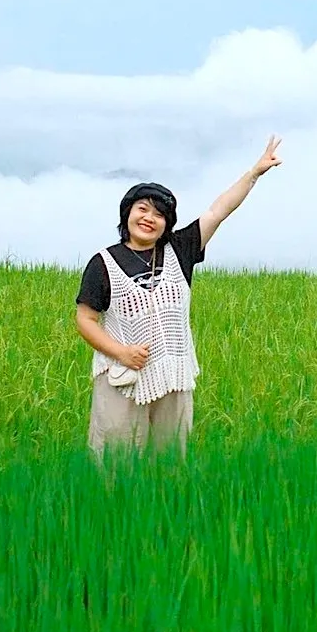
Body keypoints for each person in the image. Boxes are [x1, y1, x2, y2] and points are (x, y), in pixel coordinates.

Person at [74, 136, 282, 455]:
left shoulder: (180, 250)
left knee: (169, 462)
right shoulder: (104, 262)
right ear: (127, 214)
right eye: (142, 209)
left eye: (159, 214)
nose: (149, 218)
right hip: (122, 377)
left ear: (167, 223)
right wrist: (120, 352)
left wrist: (254, 172)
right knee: (116, 461)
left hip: (173, 375)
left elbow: (218, 210)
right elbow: (85, 319)